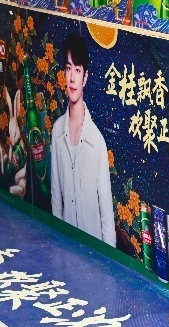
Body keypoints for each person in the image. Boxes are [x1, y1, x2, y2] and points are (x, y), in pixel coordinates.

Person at [50, 33, 117, 245]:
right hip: (66, 246)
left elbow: (106, 216)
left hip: (93, 250)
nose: (72, 78)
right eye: (68, 68)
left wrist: (107, 258)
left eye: (77, 70)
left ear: (85, 77)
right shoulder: (57, 131)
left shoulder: (96, 142)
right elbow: (56, 199)